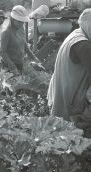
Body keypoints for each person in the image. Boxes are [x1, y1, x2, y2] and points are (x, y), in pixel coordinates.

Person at [47, 9, 91, 137]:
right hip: (73, 101)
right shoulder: (83, 44)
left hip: (63, 94)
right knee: (75, 137)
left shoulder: (76, 35)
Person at [0, 5, 42, 74]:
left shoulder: (21, 29)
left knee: (20, 83)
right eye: (19, 21)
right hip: (8, 66)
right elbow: (2, 52)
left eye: (23, 22)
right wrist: (12, 67)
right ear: (12, 19)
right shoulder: (6, 32)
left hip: (19, 64)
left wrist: (34, 57)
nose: (22, 24)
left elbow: (24, 44)